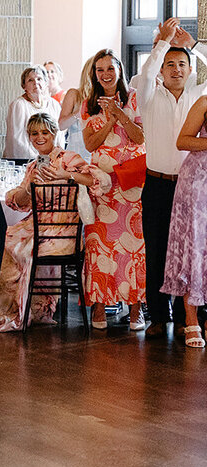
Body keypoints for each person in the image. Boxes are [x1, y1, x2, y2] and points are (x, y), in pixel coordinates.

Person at [0, 113, 100, 333]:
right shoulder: (33, 166)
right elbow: (18, 202)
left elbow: (95, 180)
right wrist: (28, 188)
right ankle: (9, 309)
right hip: (36, 225)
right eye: (34, 133)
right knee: (1, 240)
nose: (39, 137)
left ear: (54, 134)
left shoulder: (70, 158)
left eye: (45, 132)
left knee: (19, 246)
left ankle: (29, 308)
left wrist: (65, 174)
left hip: (64, 230)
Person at [134, 18, 207, 337]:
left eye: (182, 64)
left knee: (189, 251)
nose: (176, 69)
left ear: (190, 70)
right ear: (162, 70)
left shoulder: (199, 95)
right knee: (158, 249)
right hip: (158, 184)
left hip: (192, 188)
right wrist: (162, 42)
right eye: (170, 64)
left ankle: (184, 317)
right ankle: (158, 317)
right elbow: (145, 73)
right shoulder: (148, 94)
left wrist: (193, 46)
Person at [82, 48, 146, 330]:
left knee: (134, 247)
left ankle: (136, 309)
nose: (105, 74)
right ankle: (99, 304)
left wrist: (120, 114)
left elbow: (140, 136)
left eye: (110, 68)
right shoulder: (89, 103)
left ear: (119, 70)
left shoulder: (135, 97)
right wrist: (108, 118)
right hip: (102, 185)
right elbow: (90, 144)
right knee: (101, 245)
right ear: (94, 74)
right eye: (100, 70)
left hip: (131, 183)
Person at [162, 92, 207, 348]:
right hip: (199, 181)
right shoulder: (204, 102)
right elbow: (183, 141)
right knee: (195, 246)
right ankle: (192, 321)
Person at [5, 65, 63, 160]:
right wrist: (39, 160)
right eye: (30, 80)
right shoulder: (19, 105)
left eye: (39, 79)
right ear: (24, 86)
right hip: (26, 160)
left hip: (52, 159)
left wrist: (56, 157)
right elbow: (17, 139)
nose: (36, 83)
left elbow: (59, 134)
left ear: (46, 83)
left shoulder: (54, 104)